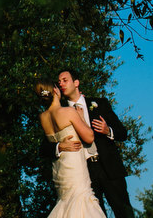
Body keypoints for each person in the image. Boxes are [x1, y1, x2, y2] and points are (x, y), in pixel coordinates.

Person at [41, 69, 135, 218]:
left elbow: (123, 132)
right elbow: (43, 147)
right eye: (59, 83)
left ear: (76, 82)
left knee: (124, 212)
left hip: (109, 168)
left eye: (65, 80)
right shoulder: (61, 110)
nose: (61, 84)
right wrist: (59, 146)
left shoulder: (100, 103)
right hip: (84, 172)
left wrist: (107, 130)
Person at [36, 79, 107, 218]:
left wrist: (59, 146)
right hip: (74, 166)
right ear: (55, 91)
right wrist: (81, 118)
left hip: (59, 168)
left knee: (66, 201)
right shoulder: (68, 111)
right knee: (82, 200)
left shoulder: (43, 117)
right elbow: (89, 137)